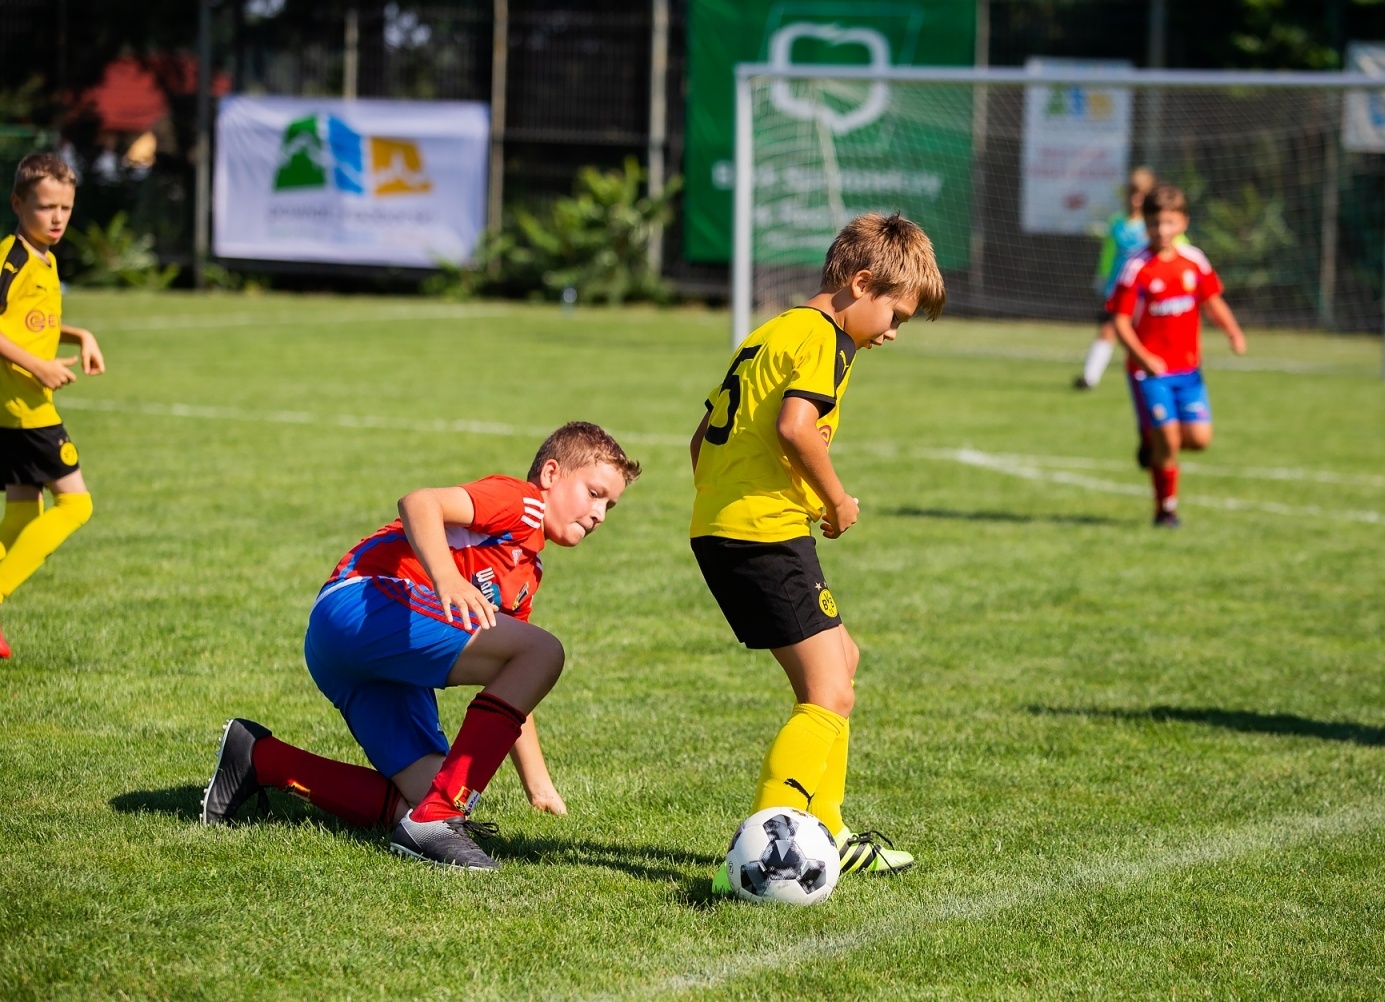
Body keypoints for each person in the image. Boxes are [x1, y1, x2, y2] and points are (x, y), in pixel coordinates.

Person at [202, 422, 641, 870]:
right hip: (362, 604)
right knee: (544, 653)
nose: (600, 514)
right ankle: (440, 814)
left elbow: (515, 679)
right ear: (550, 474)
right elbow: (419, 502)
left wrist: (539, 785)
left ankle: (258, 757)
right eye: (594, 492)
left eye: (610, 504)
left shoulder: (527, 577)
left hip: (360, 655)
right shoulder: (522, 502)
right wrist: (446, 578)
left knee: (424, 796)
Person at [688, 213, 945, 892]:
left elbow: (700, 439)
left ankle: (828, 831)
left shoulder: (772, 331)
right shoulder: (826, 339)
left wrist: (742, 498)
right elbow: (797, 427)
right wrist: (834, 499)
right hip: (760, 533)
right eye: (895, 313)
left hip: (733, 524)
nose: (892, 330)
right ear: (861, 283)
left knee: (841, 666)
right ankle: (766, 849)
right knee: (830, 688)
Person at [0, 153, 106, 660]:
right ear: (18, 203)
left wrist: (79, 333)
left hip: (17, 405)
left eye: (65, 206)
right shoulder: (13, 260)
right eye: (45, 207)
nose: (57, 217)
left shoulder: (45, 255)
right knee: (76, 504)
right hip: (24, 408)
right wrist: (38, 368)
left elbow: (29, 324)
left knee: (23, 510)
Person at [1108, 184, 1247, 526]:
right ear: (1146, 226)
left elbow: (1212, 300)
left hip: (1188, 370)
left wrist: (1232, 330)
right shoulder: (1136, 266)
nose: (1162, 231)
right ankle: (1165, 510)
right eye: (1155, 224)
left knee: (1198, 440)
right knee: (1169, 440)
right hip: (1149, 372)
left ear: (1183, 222)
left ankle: (1152, 442)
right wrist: (1143, 358)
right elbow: (1121, 321)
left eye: (1169, 222)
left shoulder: (1194, 261)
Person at [1075, 167, 1157, 390]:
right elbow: (1109, 255)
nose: (1136, 199)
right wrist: (1103, 279)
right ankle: (1089, 378)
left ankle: (1149, 373)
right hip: (1119, 289)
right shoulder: (1117, 223)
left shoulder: (1156, 225)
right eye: (1132, 193)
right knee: (1108, 330)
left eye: (1141, 194)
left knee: (1146, 335)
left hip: (1148, 292)